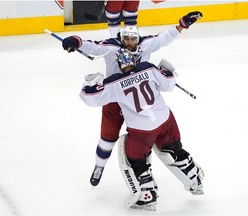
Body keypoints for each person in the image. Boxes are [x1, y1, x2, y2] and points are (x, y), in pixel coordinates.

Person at [62, 11, 203, 187]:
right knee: (108, 136)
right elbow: (93, 47)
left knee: (141, 136)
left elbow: (164, 38)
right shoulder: (111, 47)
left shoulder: (146, 44)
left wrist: (181, 26)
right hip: (113, 97)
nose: (129, 43)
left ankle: (143, 170)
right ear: (121, 38)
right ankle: (99, 167)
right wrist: (77, 42)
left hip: (129, 98)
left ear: (138, 39)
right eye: (126, 39)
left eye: (132, 39)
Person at [79, 48, 204, 210]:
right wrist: (166, 71)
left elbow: (90, 98)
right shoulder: (148, 68)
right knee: (174, 149)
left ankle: (147, 196)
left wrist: (90, 83)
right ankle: (195, 179)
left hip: (142, 131)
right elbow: (169, 83)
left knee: (135, 161)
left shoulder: (114, 82)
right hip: (166, 120)